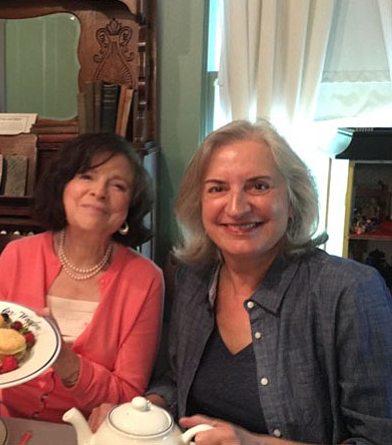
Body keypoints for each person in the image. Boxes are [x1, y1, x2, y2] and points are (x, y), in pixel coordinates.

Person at [91, 119, 392, 443]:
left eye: (259, 186)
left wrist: (253, 442)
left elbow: (377, 438)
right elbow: (178, 378)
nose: (236, 208)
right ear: (200, 204)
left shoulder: (350, 292)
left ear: (292, 201)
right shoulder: (192, 278)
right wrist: (145, 409)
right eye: (218, 188)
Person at [0, 132, 164, 423]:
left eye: (117, 185)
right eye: (86, 176)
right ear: (62, 186)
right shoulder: (16, 256)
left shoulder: (146, 280)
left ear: (130, 206)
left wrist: (64, 360)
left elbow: (128, 395)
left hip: (87, 434)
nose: (99, 192)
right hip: (4, 423)